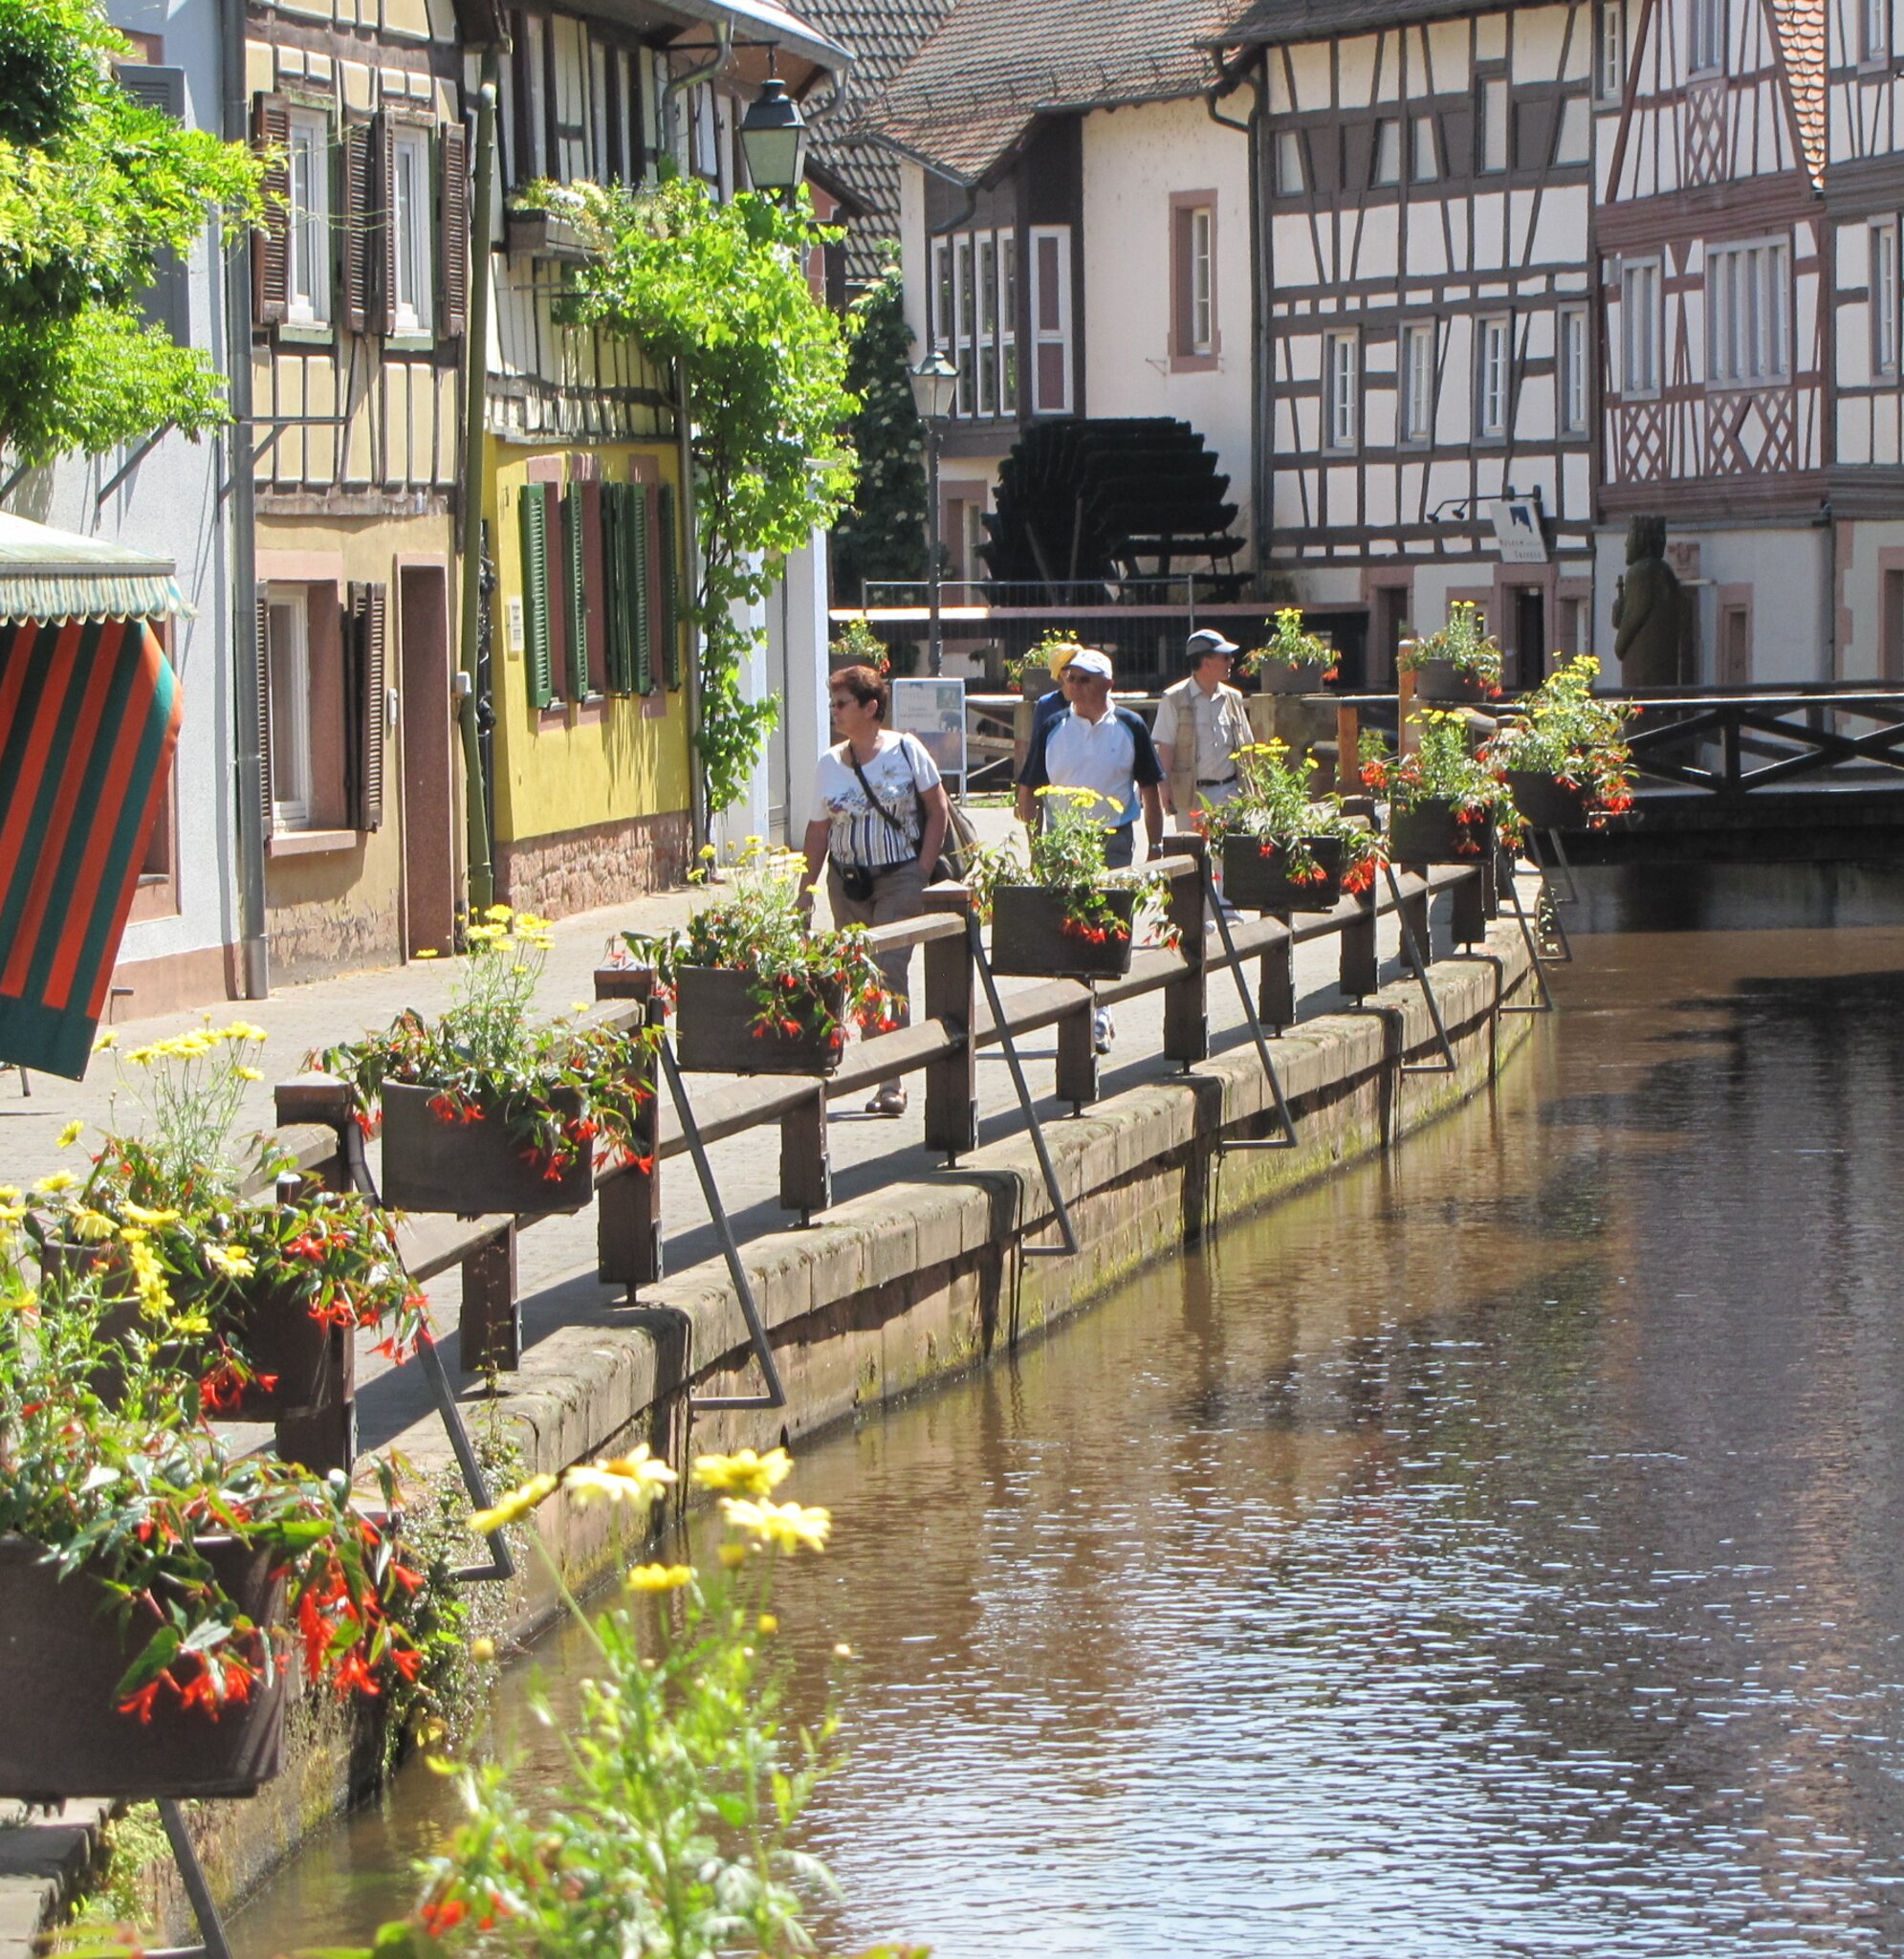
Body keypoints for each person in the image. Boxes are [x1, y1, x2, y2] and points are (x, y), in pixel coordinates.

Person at [800, 663, 951, 1117]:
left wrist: (921, 872)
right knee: (860, 976)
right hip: (847, 883)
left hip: (899, 877)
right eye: (833, 703)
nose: (834, 712)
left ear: (871, 707)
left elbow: (937, 809)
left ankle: (892, 1080)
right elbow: (817, 831)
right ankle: (872, 1069)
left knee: (888, 971)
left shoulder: (906, 751)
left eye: (842, 703)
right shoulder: (829, 764)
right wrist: (804, 891)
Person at [1016, 647, 1165, 1052]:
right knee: (1068, 927)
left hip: (1113, 838)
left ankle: (1101, 1011)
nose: (1073, 686)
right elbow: (1028, 787)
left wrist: (1157, 845)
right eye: (1069, 678)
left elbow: (1151, 790)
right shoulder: (1053, 725)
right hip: (1064, 842)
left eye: (1083, 679)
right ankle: (1082, 1008)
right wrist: (1035, 846)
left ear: (1107, 684)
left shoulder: (1131, 725)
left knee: (1105, 925)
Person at [1152, 627, 1254, 823]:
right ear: (1206, 662)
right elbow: (1166, 748)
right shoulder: (1173, 699)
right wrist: (1164, 790)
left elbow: (1247, 747)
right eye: (1225, 657)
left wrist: (1253, 787)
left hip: (1230, 793)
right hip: (1190, 796)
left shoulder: (1233, 697)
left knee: (1232, 850)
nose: (1231, 661)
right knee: (1190, 851)